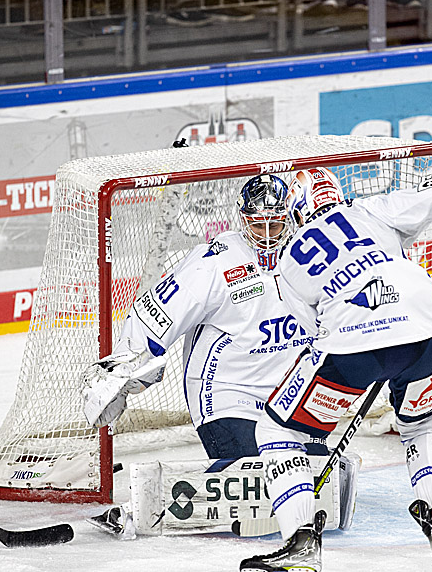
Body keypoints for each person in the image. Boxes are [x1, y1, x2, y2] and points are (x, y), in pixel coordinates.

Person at [235, 143, 432, 572]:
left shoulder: (289, 261)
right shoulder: (373, 210)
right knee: (423, 425)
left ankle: (299, 548)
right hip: (427, 339)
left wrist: (367, 362)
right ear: (337, 196)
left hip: (353, 350)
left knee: (278, 432)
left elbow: (312, 333)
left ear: (297, 213)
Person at [80, 175, 329, 534]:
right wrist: (120, 376)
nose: (268, 231)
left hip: (288, 398)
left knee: (322, 477)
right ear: (242, 219)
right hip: (227, 397)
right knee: (261, 481)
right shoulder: (214, 262)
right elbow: (155, 317)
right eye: (259, 222)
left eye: (276, 220)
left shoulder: (309, 257)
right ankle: (144, 506)